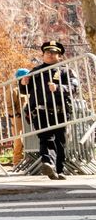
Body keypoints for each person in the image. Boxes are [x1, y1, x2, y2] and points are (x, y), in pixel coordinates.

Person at [19, 40, 73, 180]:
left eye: (54, 53)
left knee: (60, 142)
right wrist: (23, 83)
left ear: (59, 56)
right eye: (47, 52)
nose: (50, 55)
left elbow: (74, 87)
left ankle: (59, 170)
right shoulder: (36, 71)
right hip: (41, 112)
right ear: (43, 55)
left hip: (59, 111)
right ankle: (48, 163)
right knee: (45, 139)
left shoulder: (65, 71)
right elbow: (25, 90)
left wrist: (59, 88)